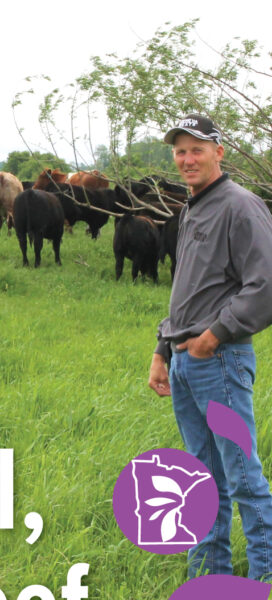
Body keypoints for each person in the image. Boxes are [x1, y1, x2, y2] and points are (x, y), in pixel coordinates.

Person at [148, 114, 272, 580]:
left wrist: (213, 336)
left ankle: (265, 577)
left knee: (243, 478)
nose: (186, 159)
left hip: (219, 361)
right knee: (201, 481)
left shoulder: (241, 206)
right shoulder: (192, 208)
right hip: (186, 361)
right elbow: (188, 288)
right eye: (179, 151)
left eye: (196, 149)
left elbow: (266, 284)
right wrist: (164, 348)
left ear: (219, 152)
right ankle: (209, 576)